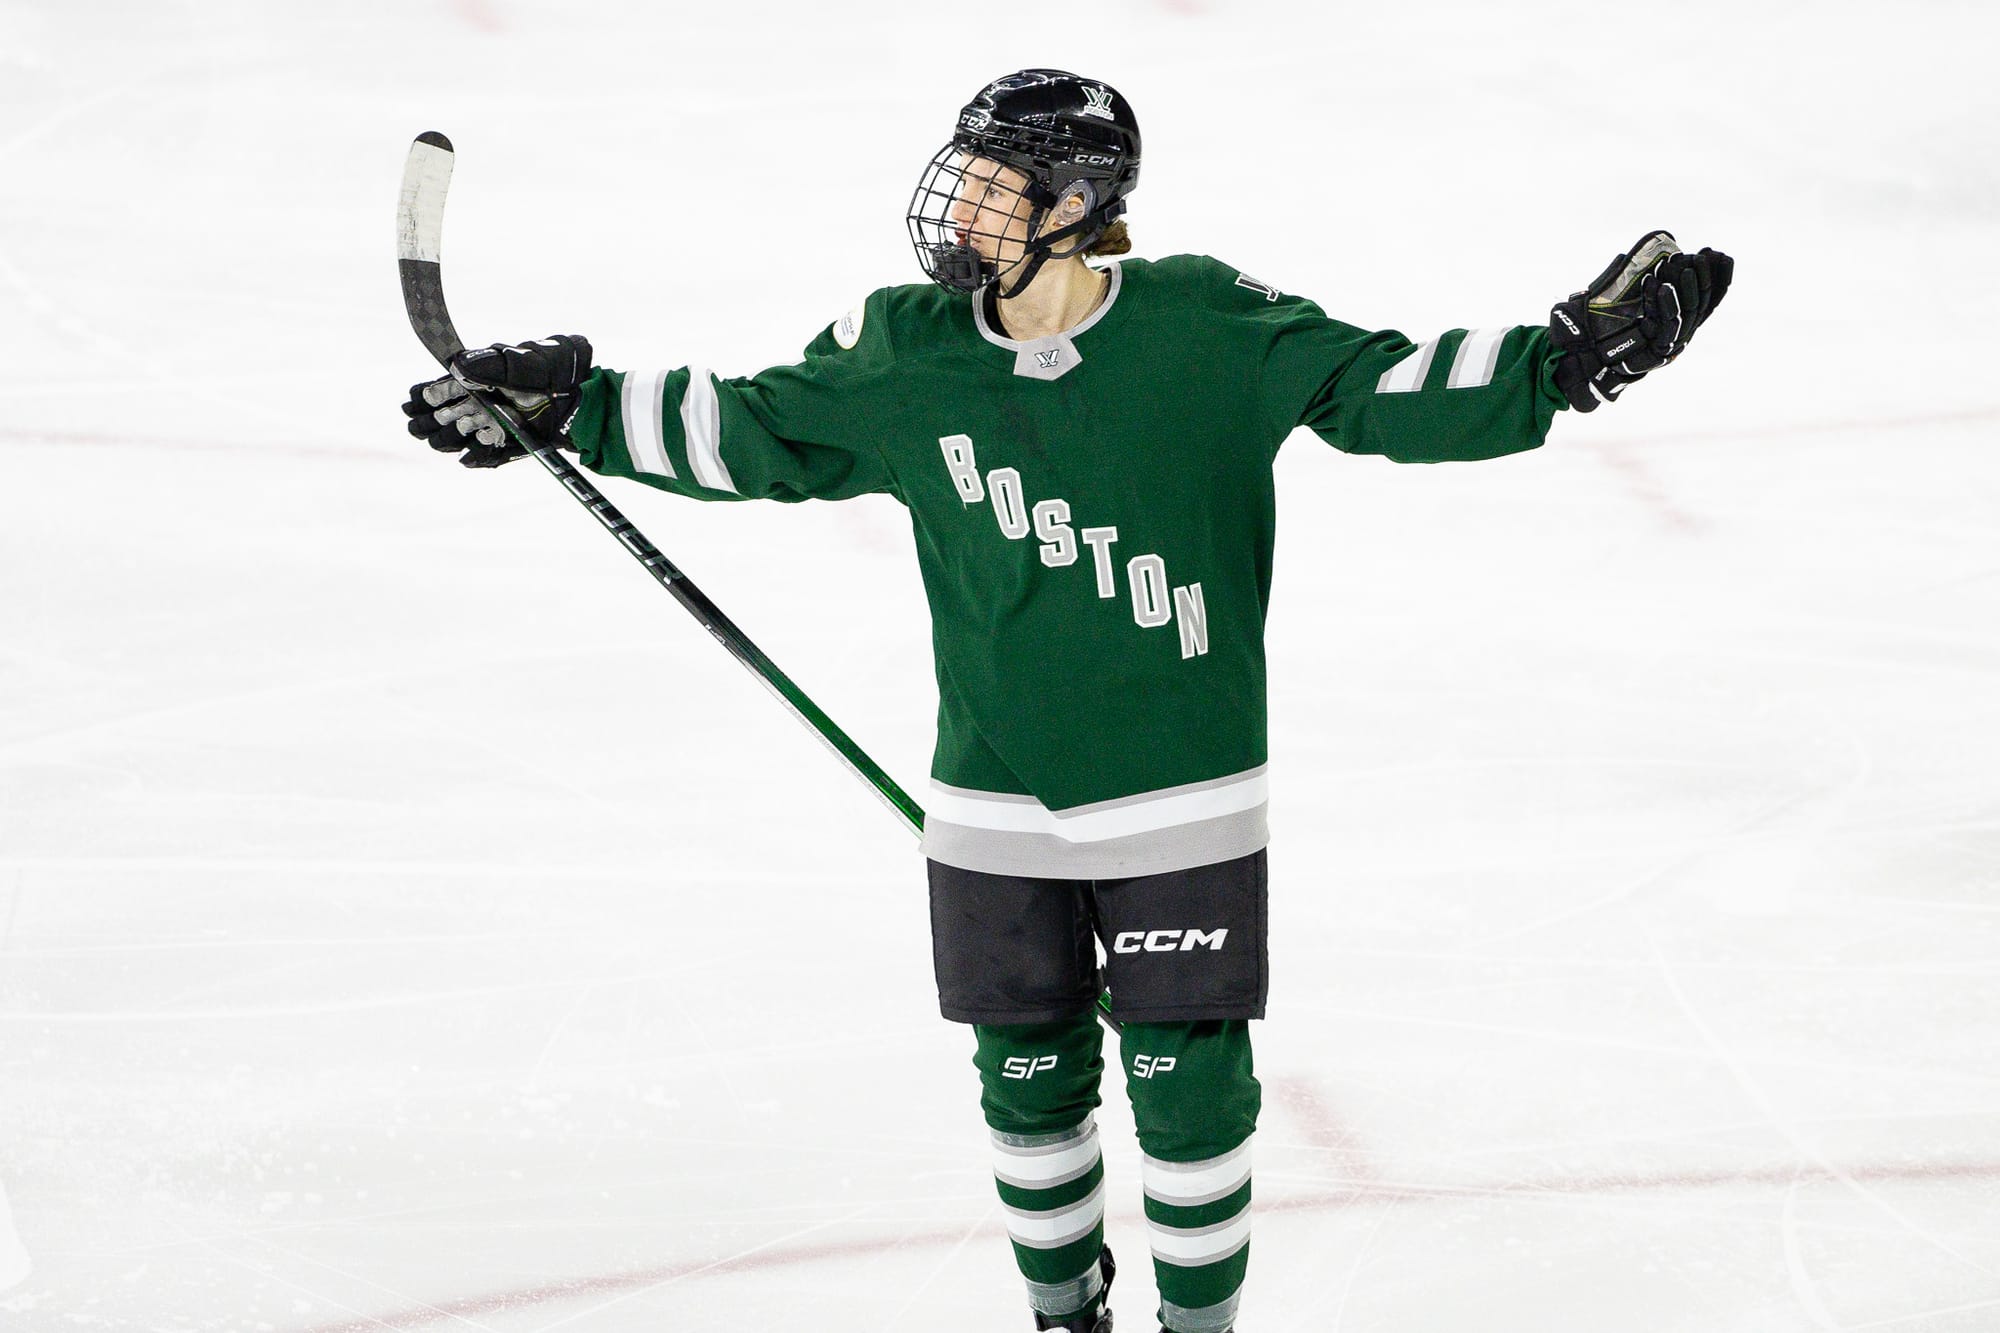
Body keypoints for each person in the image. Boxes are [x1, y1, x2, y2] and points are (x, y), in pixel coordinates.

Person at [402, 68, 1731, 1333]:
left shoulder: (1204, 324)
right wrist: (567, 403)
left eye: (994, 183)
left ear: (1076, 202)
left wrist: (1558, 364)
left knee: (1189, 1097)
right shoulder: (906, 346)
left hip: (1182, 796)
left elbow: (1377, 385)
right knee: (1025, 1088)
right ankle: (1063, 1314)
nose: (961, 206)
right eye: (966, 175)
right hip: (991, 801)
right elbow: (754, 425)